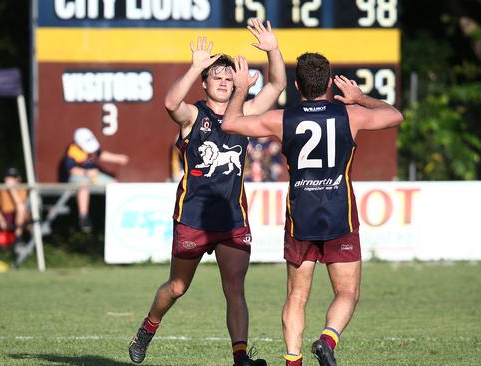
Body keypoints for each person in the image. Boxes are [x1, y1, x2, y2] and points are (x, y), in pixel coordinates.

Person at [222, 53, 403, 366]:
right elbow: (394, 115)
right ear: (330, 83)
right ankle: (327, 339)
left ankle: (294, 362)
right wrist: (360, 98)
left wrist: (240, 90)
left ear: (296, 85)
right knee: (347, 291)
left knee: (296, 295)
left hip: (301, 215)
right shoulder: (351, 115)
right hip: (339, 214)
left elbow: (230, 123)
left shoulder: (282, 118)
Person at [128, 19, 286, 366]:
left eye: (230, 78)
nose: (225, 82)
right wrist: (195, 65)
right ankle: (147, 329)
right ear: (205, 82)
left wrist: (273, 48)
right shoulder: (193, 115)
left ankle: (240, 357)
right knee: (177, 288)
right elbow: (171, 103)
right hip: (194, 218)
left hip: (231, 219)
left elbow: (276, 85)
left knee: (235, 289)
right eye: (218, 77)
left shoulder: (243, 113)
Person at [63, 127, 129, 232]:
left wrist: (118, 158)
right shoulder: (72, 151)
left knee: (115, 184)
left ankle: (118, 213)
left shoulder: (91, 149)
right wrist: (86, 172)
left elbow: (101, 155)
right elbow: (72, 170)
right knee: (83, 187)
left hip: (93, 175)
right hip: (79, 177)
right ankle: (83, 216)